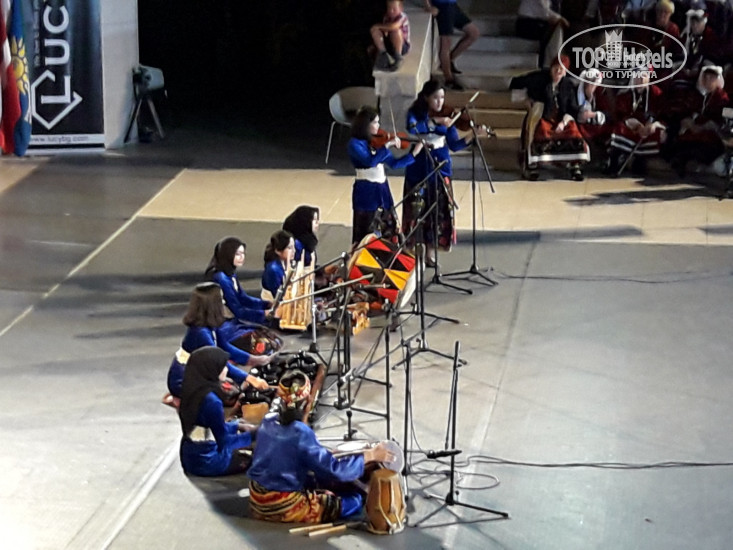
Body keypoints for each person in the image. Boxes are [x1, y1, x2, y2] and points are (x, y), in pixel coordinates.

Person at [247, 369, 395, 524]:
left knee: (316, 480)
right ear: (308, 401)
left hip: (256, 498)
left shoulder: (268, 420)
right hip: (281, 506)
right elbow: (334, 471)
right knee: (354, 501)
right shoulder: (300, 433)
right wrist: (371, 455)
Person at [403, 79, 489, 265]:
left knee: (438, 211)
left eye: (442, 98)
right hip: (419, 166)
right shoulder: (415, 113)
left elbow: (455, 145)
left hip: (441, 166)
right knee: (417, 210)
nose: (440, 102)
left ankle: (430, 253)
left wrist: (472, 135)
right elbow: (413, 128)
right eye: (436, 98)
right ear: (426, 97)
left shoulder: (448, 116)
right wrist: (435, 121)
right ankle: (415, 253)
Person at [166, 282, 272, 405]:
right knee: (231, 395)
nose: (224, 302)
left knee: (235, 387)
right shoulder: (201, 333)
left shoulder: (209, 326)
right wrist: (250, 378)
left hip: (197, 373)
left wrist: (254, 360)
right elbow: (218, 363)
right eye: (221, 299)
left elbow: (226, 348)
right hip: (183, 379)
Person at [347, 105, 423, 247]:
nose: (378, 126)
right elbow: (370, 161)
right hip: (366, 191)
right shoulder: (355, 144)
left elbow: (394, 164)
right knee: (367, 228)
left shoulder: (376, 144)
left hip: (382, 190)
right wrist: (386, 146)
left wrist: (414, 153)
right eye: (375, 122)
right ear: (366, 124)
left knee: (388, 227)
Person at [178, 347, 256, 477]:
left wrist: (236, 425)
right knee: (259, 456)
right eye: (223, 366)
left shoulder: (192, 390)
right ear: (211, 369)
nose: (226, 370)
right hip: (208, 462)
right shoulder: (212, 402)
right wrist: (255, 434)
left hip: (190, 456)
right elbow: (225, 442)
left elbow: (205, 429)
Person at [510, 55, 589, 181]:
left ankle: (575, 165)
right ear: (551, 68)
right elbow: (516, 82)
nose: (558, 71)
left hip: (562, 119)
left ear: (565, 72)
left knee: (573, 132)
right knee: (541, 131)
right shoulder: (541, 79)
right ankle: (532, 165)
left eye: (561, 69)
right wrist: (527, 99)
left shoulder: (568, 85)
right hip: (544, 116)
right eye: (556, 68)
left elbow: (572, 108)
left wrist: (563, 123)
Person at [670, 65, 729, 176]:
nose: (708, 80)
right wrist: (688, 121)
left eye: (712, 78)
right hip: (693, 129)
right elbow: (686, 110)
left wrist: (703, 126)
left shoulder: (722, 97)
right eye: (706, 77)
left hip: (710, 133)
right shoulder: (695, 94)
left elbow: (719, 119)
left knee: (705, 146)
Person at [606, 68, 667, 175]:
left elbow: (661, 114)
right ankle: (614, 161)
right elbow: (621, 115)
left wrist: (653, 125)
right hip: (632, 127)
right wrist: (637, 126)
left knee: (660, 134)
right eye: (638, 77)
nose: (641, 80)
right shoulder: (625, 94)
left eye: (644, 76)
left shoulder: (657, 93)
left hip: (649, 129)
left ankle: (640, 159)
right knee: (619, 129)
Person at [204, 236, 271, 325]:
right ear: (228, 255)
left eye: (243, 253)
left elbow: (243, 298)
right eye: (237, 254)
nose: (242, 257)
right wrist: (264, 314)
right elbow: (237, 310)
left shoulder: (230, 274)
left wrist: (267, 304)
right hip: (222, 324)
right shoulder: (221, 278)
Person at [423, 0, 480, 90]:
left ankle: (449, 61)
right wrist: (428, 6)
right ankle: (449, 79)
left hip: (452, 5)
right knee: (446, 43)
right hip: (442, 6)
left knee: (473, 33)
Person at [515, 0, 570, 68]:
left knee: (556, 30)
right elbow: (544, 11)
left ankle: (551, 62)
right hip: (527, 23)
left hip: (534, 22)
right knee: (554, 31)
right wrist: (559, 19)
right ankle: (547, 64)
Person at [371, 0, 411, 72]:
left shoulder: (402, 17)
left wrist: (378, 26)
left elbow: (393, 26)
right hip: (391, 45)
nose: (391, 11)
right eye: (389, 8)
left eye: (394, 9)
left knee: (396, 31)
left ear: (401, 8)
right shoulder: (386, 17)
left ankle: (398, 58)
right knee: (374, 30)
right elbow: (385, 32)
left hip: (402, 46)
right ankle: (383, 54)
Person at [261, 230, 295, 302]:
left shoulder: (285, 262)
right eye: (290, 248)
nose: (294, 251)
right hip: (272, 305)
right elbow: (279, 296)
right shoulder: (273, 269)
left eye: (293, 247)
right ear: (278, 251)